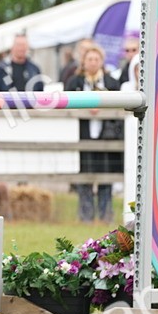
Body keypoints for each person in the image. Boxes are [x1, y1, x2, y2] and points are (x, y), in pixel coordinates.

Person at [66, 43, 121, 223]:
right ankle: (86, 216)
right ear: (84, 61)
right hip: (84, 134)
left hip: (107, 135)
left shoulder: (111, 82)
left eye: (96, 59)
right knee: (85, 174)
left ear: (101, 61)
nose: (93, 62)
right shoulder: (75, 82)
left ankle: (106, 215)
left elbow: (119, 106)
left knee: (106, 174)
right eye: (89, 59)